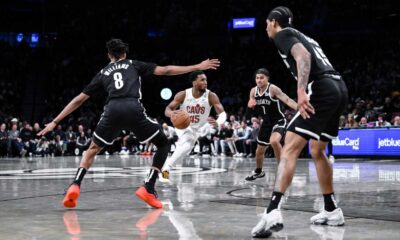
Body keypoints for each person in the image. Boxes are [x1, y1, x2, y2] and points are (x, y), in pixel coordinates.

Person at [38, 38, 220, 209]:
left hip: (112, 110)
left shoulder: (102, 73)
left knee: (92, 149)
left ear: (109, 55)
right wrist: (197, 66)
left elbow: (79, 99)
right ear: (124, 53)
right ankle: (148, 187)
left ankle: (75, 185)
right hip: (133, 108)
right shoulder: (133, 64)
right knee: (163, 143)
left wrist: (55, 122)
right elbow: (165, 70)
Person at [251, 7, 348, 238]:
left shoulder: (283, 34)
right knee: (317, 149)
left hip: (321, 88)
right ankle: (331, 209)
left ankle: (273, 210)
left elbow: (302, 57)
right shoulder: (306, 36)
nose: (266, 28)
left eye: (266, 23)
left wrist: (301, 91)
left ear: (274, 22)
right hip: (339, 87)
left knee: (289, 148)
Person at [159, 70, 226, 182]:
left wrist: (218, 122)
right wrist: (172, 114)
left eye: (206, 80)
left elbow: (222, 113)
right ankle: (165, 171)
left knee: (185, 148)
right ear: (194, 82)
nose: (205, 82)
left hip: (198, 128)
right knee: (188, 141)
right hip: (182, 124)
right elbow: (167, 109)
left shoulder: (211, 96)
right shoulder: (183, 94)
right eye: (202, 80)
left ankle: (162, 167)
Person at [245, 68, 297, 181]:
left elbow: (287, 100)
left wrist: (300, 108)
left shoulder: (272, 89)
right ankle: (258, 171)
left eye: (262, 78)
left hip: (278, 120)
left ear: (267, 78)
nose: (259, 80)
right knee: (259, 151)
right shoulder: (253, 91)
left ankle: (282, 169)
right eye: (257, 78)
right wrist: (249, 111)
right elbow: (250, 109)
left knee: (274, 141)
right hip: (266, 123)